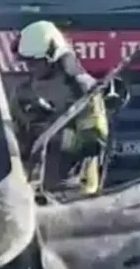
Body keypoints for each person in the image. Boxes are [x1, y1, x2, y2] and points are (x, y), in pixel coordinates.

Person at [12, 19, 108, 195]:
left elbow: (95, 141)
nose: (30, 67)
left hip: (75, 189)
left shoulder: (83, 90)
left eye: (35, 62)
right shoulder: (24, 92)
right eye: (27, 62)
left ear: (52, 55)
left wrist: (52, 134)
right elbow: (13, 137)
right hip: (33, 188)